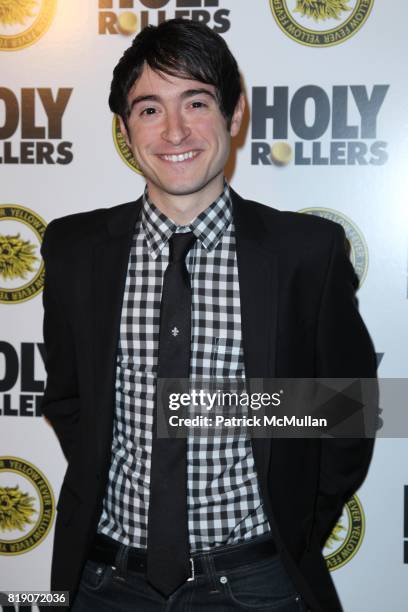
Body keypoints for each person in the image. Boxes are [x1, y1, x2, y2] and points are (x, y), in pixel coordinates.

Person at [41, 18, 377, 612]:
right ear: (126, 128)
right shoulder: (74, 250)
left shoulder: (306, 252)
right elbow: (69, 401)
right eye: (149, 109)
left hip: (258, 585)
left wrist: (291, 529)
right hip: (102, 584)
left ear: (235, 113)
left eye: (196, 101)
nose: (174, 130)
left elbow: (348, 407)